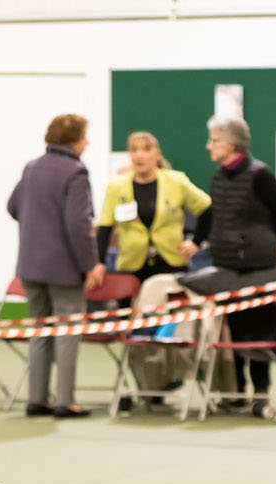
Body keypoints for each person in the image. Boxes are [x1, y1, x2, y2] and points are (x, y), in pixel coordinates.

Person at [97, 132, 211, 407]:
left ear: (156, 154)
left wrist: (195, 242)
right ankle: (146, 387)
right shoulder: (117, 186)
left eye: (146, 149)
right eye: (134, 150)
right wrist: (99, 263)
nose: (140, 155)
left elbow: (208, 209)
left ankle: (169, 378)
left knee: (167, 331)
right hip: (132, 269)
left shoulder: (176, 181)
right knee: (136, 332)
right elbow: (104, 227)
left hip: (169, 266)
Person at [7, 113, 105, 418]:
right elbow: (79, 224)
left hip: (30, 266)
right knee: (67, 333)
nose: (87, 142)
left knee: (40, 331)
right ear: (74, 140)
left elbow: (12, 206)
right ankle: (65, 401)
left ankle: (36, 398)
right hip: (64, 269)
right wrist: (90, 265)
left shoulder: (32, 167)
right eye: (85, 136)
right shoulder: (76, 172)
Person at [193, 115, 276, 410]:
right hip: (226, 265)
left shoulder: (260, 174)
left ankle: (261, 393)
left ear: (231, 144)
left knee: (258, 330)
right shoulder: (219, 176)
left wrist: (263, 240)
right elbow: (214, 215)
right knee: (230, 330)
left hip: (259, 267)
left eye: (214, 140)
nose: (208, 145)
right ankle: (235, 391)